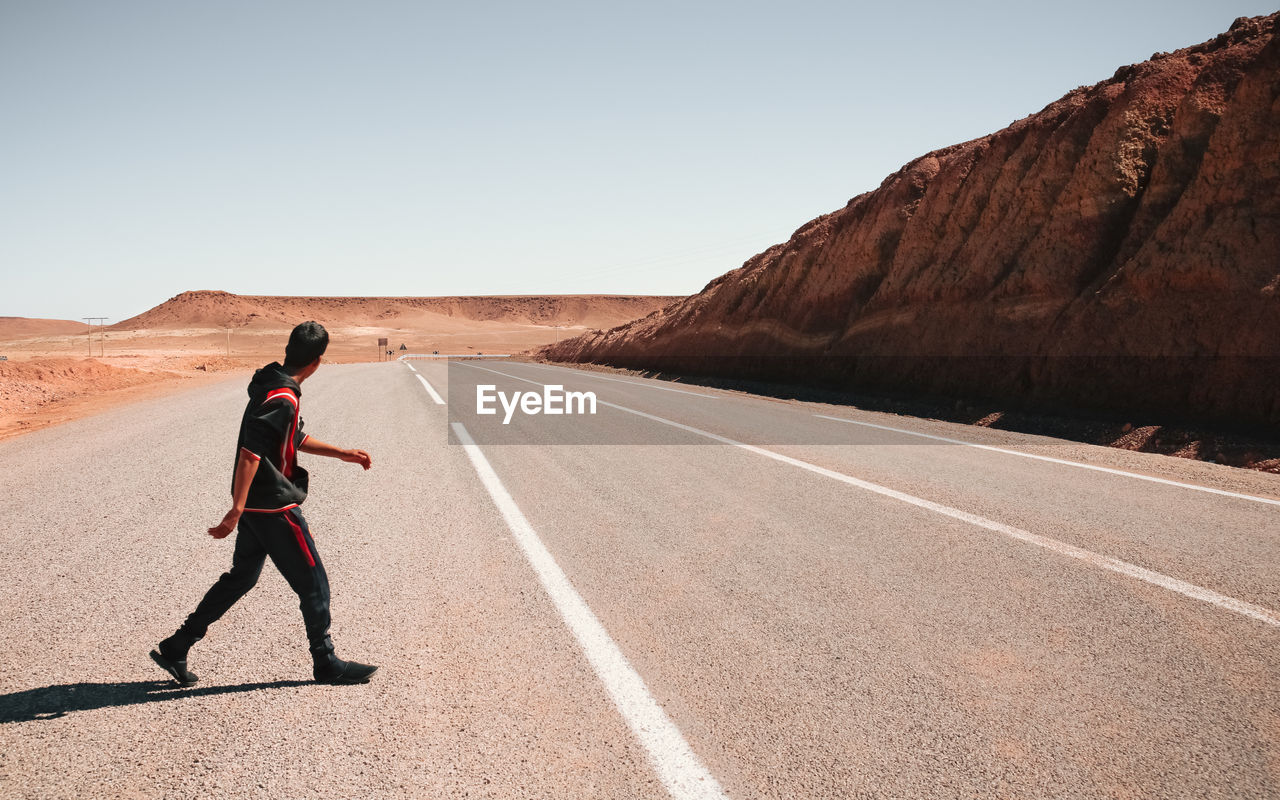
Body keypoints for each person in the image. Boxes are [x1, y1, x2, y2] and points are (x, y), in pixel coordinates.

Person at [151, 321, 378, 686]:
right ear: (317, 361)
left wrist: (342, 453)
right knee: (314, 583)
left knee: (241, 578)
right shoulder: (283, 397)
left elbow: (293, 436)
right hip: (273, 506)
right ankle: (326, 661)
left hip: (259, 507)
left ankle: (177, 645)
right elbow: (250, 453)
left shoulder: (273, 385)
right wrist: (236, 508)